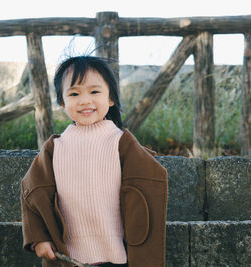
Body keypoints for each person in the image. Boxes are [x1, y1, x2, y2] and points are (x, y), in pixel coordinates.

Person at [21, 55, 168, 267]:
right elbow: (32, 190)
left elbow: (150, 180)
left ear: (111, 98)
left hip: (117, 253)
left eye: (94, 91)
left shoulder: (120, 141)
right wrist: (40, 238)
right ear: (62, 102)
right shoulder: (55, 147)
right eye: (74, 93)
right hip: (68, 256)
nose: (85, 100)